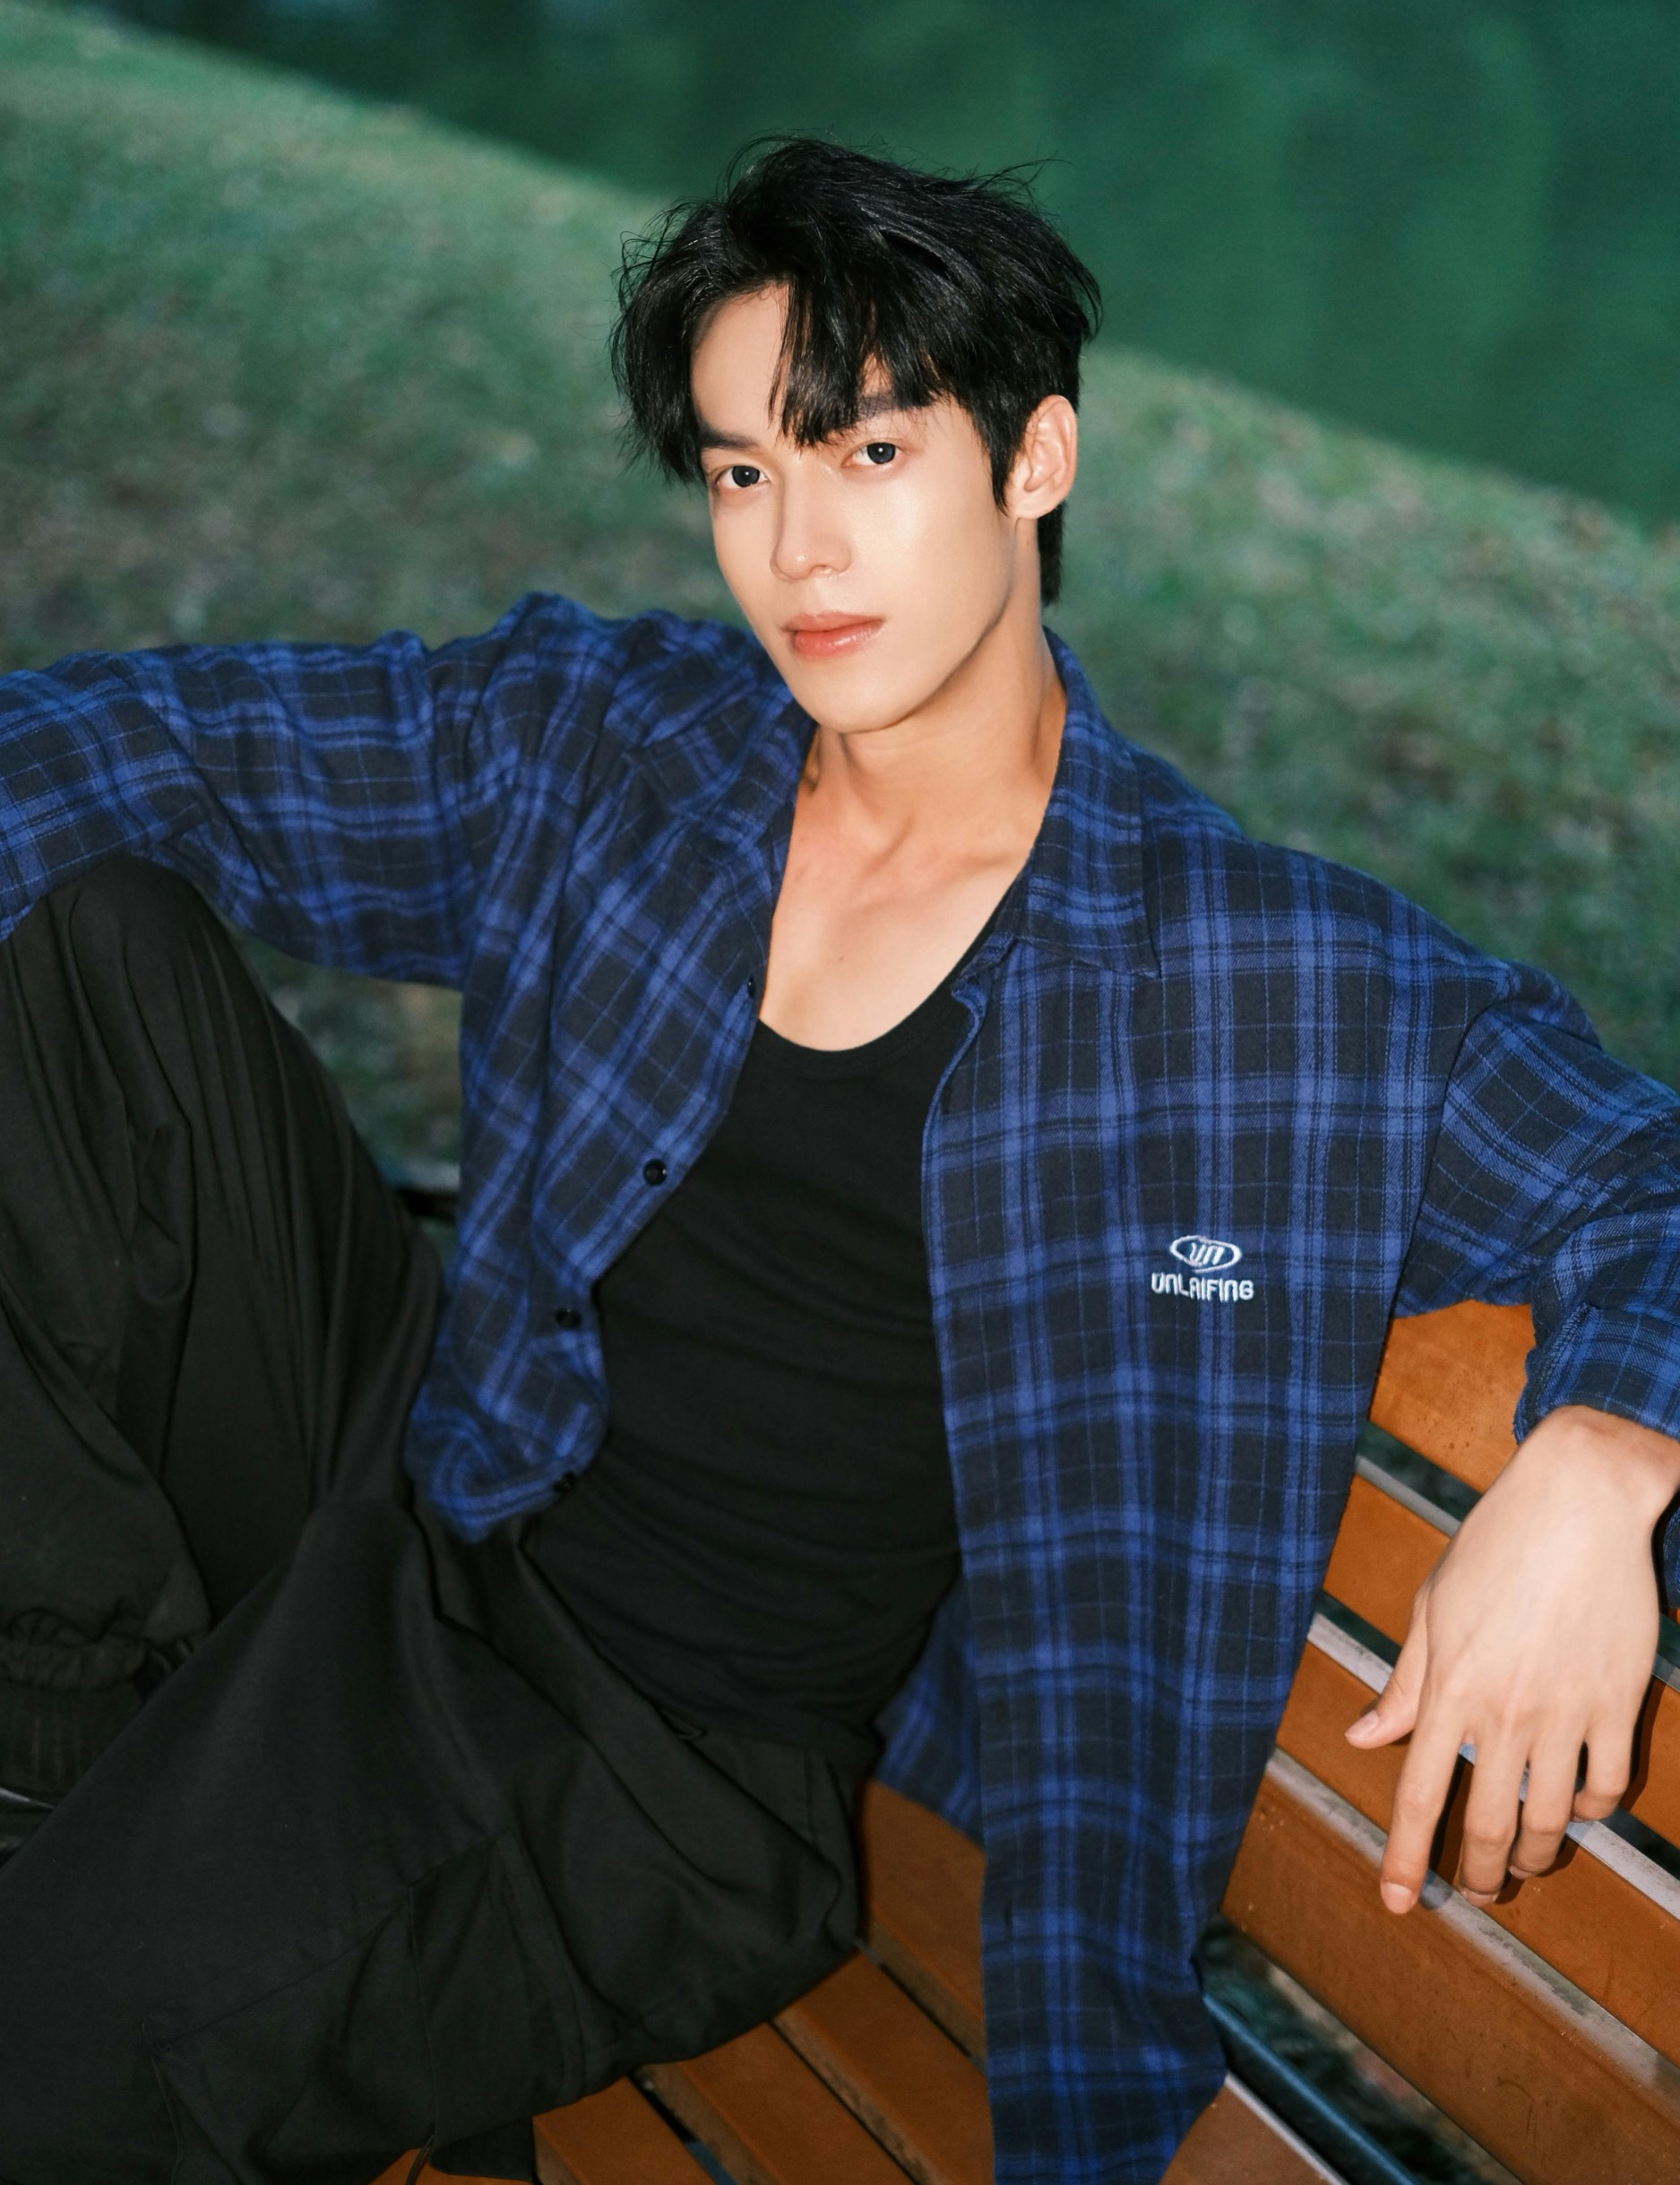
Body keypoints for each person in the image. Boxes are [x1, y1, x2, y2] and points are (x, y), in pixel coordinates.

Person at [0, 136, 1676, 2185]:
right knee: (80, 945)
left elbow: (1647, 1185)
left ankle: (150, 1892)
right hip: (421, 1481)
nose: (797, 550)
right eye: (740, 470)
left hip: (648, 1770)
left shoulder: (1260, 985)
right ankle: (74, 1764)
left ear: (1032, 457)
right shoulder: (627, 745)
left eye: (867, 451)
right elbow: (140, 751)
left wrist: (1602, 1461)